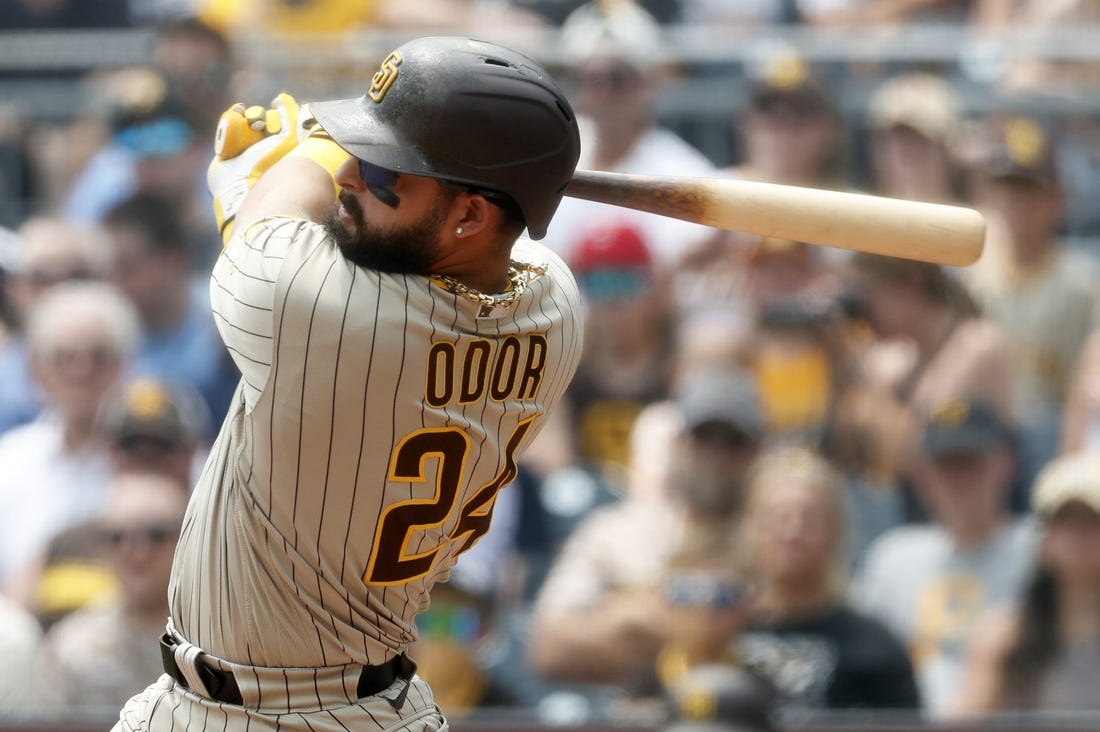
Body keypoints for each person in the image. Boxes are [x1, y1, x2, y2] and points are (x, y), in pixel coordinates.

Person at [114, 35, 583, 732]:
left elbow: (271, 231)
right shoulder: (556, 308)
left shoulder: (331, 314)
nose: (351, 177)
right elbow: (290, 241)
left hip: (265, 710)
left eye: (385, 170)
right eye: (359, 158)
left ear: (471, 216)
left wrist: (303, 149)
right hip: (369, 706)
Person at [527, 367, 766, 698]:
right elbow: (548, 647)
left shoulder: (778, 531)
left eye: (733, 442)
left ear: (757, 451)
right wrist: (642, 617)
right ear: (679, 443)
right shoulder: (617, 532)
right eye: (704, 437)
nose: (716, 456)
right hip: (641, 709)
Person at [853, 397, 1039, 717]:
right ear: (923, 473)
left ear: (1007, 463)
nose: (957, 478)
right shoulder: (893, 558)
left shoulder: (1041, 551)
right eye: (944, 464)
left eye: (970, 462)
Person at [734, 445, 921, 713]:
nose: (792, 532)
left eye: (809, 519)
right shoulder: (722, 632)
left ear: (837, 531)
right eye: (778, 518)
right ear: (750, 529)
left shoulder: (873, 646)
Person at [0, 281, 141, 604]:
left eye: (99, 356)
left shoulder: (164, 454)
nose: (81, 371)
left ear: (125, 364)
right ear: (37, 369)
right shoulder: (8, 461)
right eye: (64, 357)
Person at [952, 449, 1100, 717]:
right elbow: (965, 721)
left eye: (1093, 521)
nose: (1080, 536)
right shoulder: (1002, 640)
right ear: (1044, 535)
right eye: (1065, 521)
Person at [33, 470, 191, 719]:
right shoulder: (72, 649)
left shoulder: (217, 645)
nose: (137, 552)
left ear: (187, 542)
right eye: (118, 537)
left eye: (155, 535)